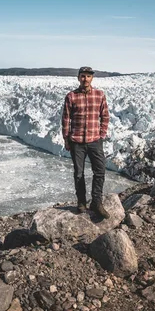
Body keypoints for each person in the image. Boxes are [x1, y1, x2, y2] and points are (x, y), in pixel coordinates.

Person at [62, 66, 110, 217]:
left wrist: (101, 134)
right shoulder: (71, 96)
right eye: (82, 76)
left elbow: (105, 116)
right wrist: (66, 138)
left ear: (92, 78)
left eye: (88, 76)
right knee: (78, 174)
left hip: (95, 140)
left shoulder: (99, 95)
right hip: (77, 141)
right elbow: (65, 119)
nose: (85, 79)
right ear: (78, 78)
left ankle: (96, 202)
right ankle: (81, 202)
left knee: (100, 171)